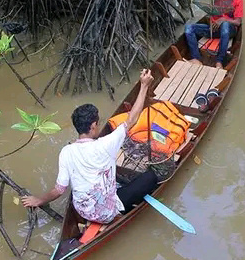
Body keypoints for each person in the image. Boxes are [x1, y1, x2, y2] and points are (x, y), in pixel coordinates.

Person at [21, 69, 158, 224]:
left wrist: (38, 200)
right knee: (150, 177)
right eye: (98, 123)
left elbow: (59, 190)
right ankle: (120, 209)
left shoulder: (66, 151)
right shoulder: (106, 144)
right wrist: (144, 86)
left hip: (83, 211)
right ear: (93, 126)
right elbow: (132, 118)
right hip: (107, 214)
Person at [185, 0, 244, 69]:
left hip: (229, 30)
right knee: (188, 28)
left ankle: (219, 61)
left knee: (225, 25)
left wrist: (222, 20)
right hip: (214, 28)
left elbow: (238, 22)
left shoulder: (238, 0)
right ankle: (196, 58)